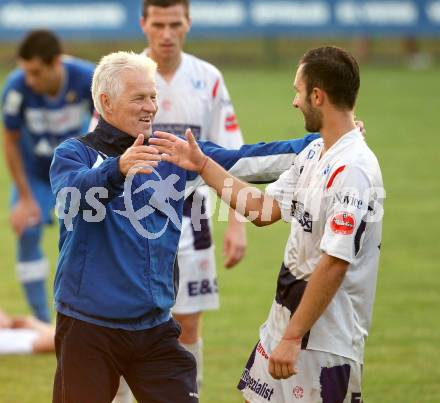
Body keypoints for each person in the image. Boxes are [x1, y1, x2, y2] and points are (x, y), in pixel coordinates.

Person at [49, 50, 319, 403]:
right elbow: (72, 198)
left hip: (155, 330)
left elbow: (253, 160)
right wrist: (118, 169)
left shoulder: (174, 153)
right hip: (87, 330)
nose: (151, 107)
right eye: (139, 98)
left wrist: (325, 141)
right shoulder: (74, 154)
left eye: (153, 96)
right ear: (105, 102)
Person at [151, 46, 384, 402]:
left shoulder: (352, 170)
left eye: (298, 90)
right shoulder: (313, 154)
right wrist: (202, 165)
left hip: (323, 343)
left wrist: (293, 338)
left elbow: (335, 263)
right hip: (282, 326)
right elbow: (261, 209)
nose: (295, 101)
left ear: (317, 96)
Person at [1, 29, 95, 323]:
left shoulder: (88, 79)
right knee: (27, 231)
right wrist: (25, 198)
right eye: (25, 72)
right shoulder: (16, 89)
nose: (30, 80)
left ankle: (91, 318)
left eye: (36, 72)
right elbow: (10, 139)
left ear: (56, 62)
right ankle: (42, 321)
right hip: (37, 176)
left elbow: (107, 128)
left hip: (77, 176)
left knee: (95, 239)